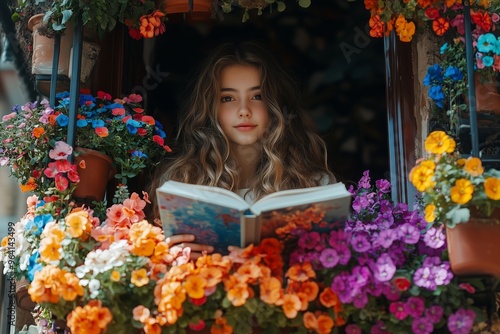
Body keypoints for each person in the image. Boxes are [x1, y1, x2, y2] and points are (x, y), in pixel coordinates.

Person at [149, 41, 336, 258]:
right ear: (211, 108)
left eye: (257, 96)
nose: (244, 111)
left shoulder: (315, 186)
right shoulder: (178, 184)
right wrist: (169, 254)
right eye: (228, 98)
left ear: (275, 105)